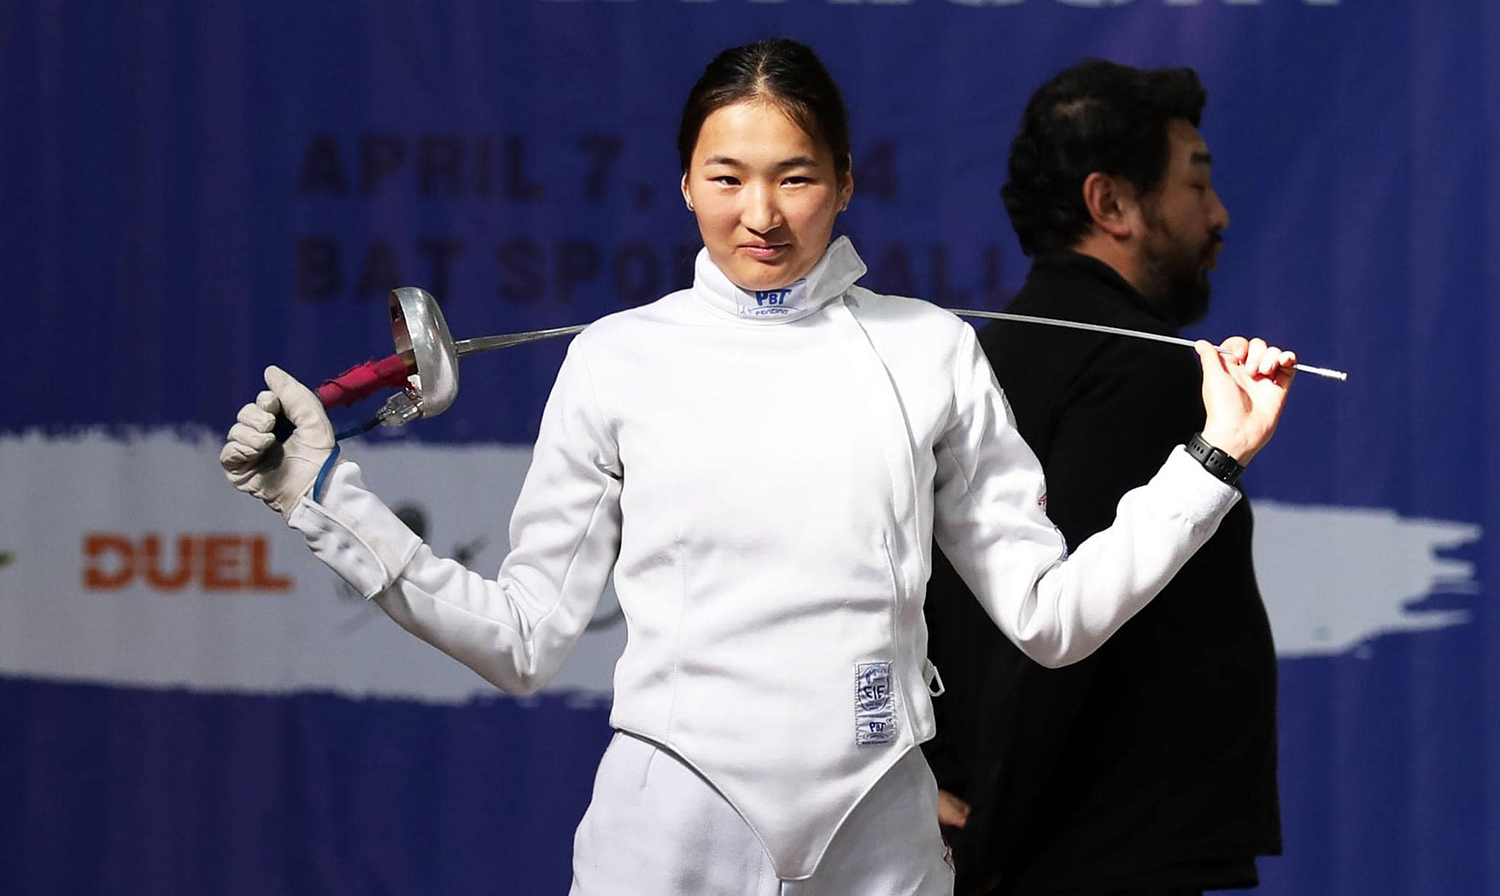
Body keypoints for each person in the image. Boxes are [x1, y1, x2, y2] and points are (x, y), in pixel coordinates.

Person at [220, 41, 1296, 896]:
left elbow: (1050, 618)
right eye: (728, 177)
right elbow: (524, 639)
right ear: (685, 184)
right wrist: (325, 499)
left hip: (882, 844)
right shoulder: (617, 360)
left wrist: (1209, 461)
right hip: (666, 843)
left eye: (796, 176)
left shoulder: (929, 350)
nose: (762, 215)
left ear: (846, 182)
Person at [922, 59, 1283, 896]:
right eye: (1197, 182)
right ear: (1111, 203)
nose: (1219, 215)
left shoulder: (980, 359)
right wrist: (987, 857)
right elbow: (1057, 625)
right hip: (1091, 859)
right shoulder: (1142, 373)